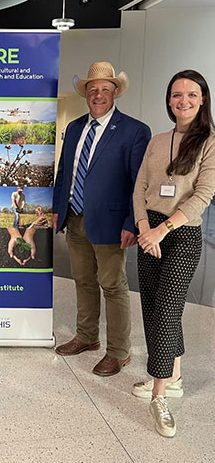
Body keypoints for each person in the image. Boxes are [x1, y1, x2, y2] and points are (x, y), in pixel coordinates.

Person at [53, 61, 151, 376]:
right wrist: (59, 209)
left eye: (104, 89)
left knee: (113, 285)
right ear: (86, 94)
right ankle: (86, 337)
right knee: (83, 281)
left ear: (115, 92)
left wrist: (131, 223)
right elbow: (65, 172)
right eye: (93, 89)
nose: (98, 94)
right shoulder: (75, 127)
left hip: (111, 222)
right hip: (75, 216)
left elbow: (139, 182)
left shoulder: (135, 131)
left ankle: (119, 351)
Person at [132, 70, 215, 437]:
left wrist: (162, 230)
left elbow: (203, 195)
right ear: (169, 100)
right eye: (177, 94)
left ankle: (160, 394)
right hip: (148, 229)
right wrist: (143, 229)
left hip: (181, 232)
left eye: (191, 95)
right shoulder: (157, 139)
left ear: (202, 100)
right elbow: (141, 188)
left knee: (168, 309)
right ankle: (174, 374)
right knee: (152, 305)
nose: (183, 100)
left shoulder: (209, 142)